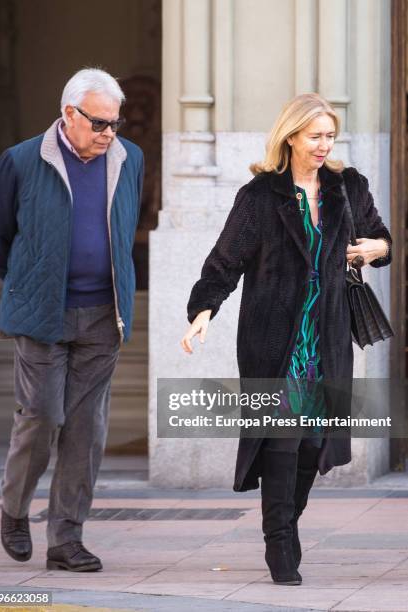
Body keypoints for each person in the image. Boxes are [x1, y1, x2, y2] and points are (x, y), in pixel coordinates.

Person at [181, 93, 391, 585]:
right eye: (315, 136)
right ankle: (278, 542)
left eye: (330, 136)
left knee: (311, 442)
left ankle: (286, 526)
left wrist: (375, 248)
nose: (324, 145)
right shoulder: (260, 196)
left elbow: (381, 239)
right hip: (274, 339)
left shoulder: (347, 187)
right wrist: (202, 312)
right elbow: (223, 263)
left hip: (327, 335)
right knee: (281, 440)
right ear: (291, 136)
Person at [0, 68, 144, 572]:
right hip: (42, 313)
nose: (109, 133)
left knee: (86, 429)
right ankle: (13, 510)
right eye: (99, 123)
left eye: (115, 123)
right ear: (69, 113)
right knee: (42, 417)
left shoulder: (129, 158)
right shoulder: (23, 159)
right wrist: (30, 281)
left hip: (103, 314)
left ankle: (65, 540)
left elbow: (125, 224)